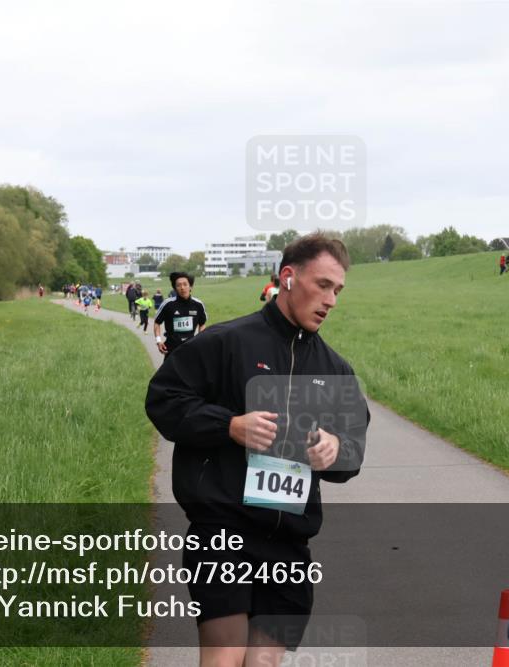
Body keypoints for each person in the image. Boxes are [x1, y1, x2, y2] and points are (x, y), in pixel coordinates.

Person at [145, 233, 370, 666]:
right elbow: (164, 401)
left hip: (288, 546)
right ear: (288, 277)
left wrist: (335, 449)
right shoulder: (226, 342)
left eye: (337, 290)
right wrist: (228, 426)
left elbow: (354, 449)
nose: (331, 300)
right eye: (322, 285)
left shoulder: (335, 369)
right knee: (225, 658)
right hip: (222, 533)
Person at [153, 272, 207, 357]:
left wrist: (200, 340)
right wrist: (158, 341)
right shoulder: (168, 304)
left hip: (191, 348)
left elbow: (202, 324)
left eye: (185, 284)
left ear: (190, 287)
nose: (182, 288)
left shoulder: (198, 305)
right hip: (171, 349)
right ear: (175, 288)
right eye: (178, 285)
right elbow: (157, 323)